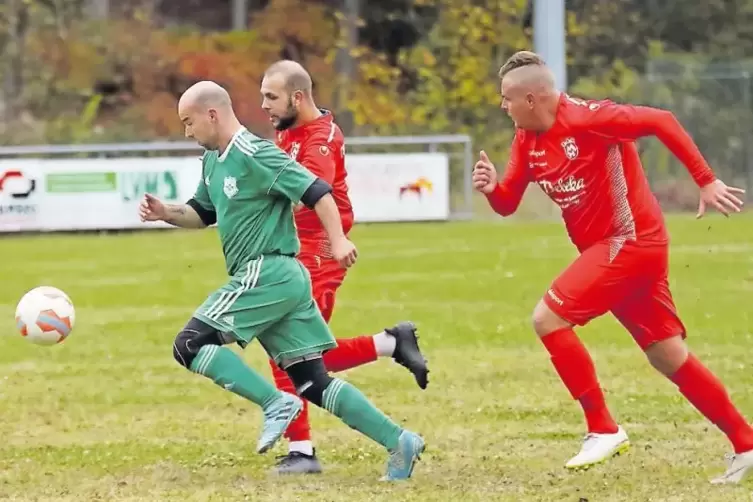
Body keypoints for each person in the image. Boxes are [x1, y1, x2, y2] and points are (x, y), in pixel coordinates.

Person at [472, 50, 752, 484]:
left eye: (507, 99)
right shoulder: (525, 140)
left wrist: (705, 179)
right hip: (615, 251)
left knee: (548, 318)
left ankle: (602, 427)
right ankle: (747, 444)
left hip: (632, 241)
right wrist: (492, 189)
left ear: (532, 98)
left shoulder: (589, 119)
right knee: (666, 353)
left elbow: (662, 121)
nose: (502, 106)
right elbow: (508, 203)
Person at [139, 80, 425, 481]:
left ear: (212, 114)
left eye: (189, 122)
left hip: (267, 270)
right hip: (279, 280)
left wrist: (338, 240)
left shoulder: (256, 153)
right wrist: (165, 212)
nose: (187, 132)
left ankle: (275, 403)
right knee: (312, 381)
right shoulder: (213, 161)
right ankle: (400, 442)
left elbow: (317, 192)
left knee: (190, 344)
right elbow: (202, 213)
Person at [258, 59, 430, 474]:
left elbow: (308, 195)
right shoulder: (291, 132)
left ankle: (303, 451)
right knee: (301, 353)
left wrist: (333, 239)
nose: (264, 105)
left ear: (298, 97)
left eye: (271, 97)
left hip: (317, 253)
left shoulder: (318, 139)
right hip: (295, 250)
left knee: (292, 351)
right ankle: (391, 343)